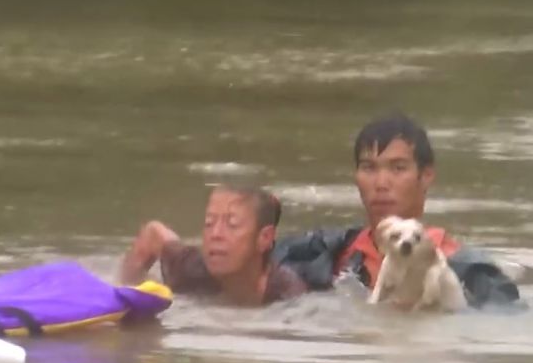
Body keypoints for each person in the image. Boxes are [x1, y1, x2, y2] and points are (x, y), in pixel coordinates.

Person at [272, 113, 521, 308]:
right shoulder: (326, 253)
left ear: (426, 176)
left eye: (398, 168)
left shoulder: (469, 270)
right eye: (369, 168)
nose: (381, 183)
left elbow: (503, 322)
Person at [120, 184, 307, 306]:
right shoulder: (191, 269)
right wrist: (127, 286)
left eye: (232, 225)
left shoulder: (288, 295)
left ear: (264, 238)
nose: (215, 235)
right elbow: (154, 233)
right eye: (209, 223)